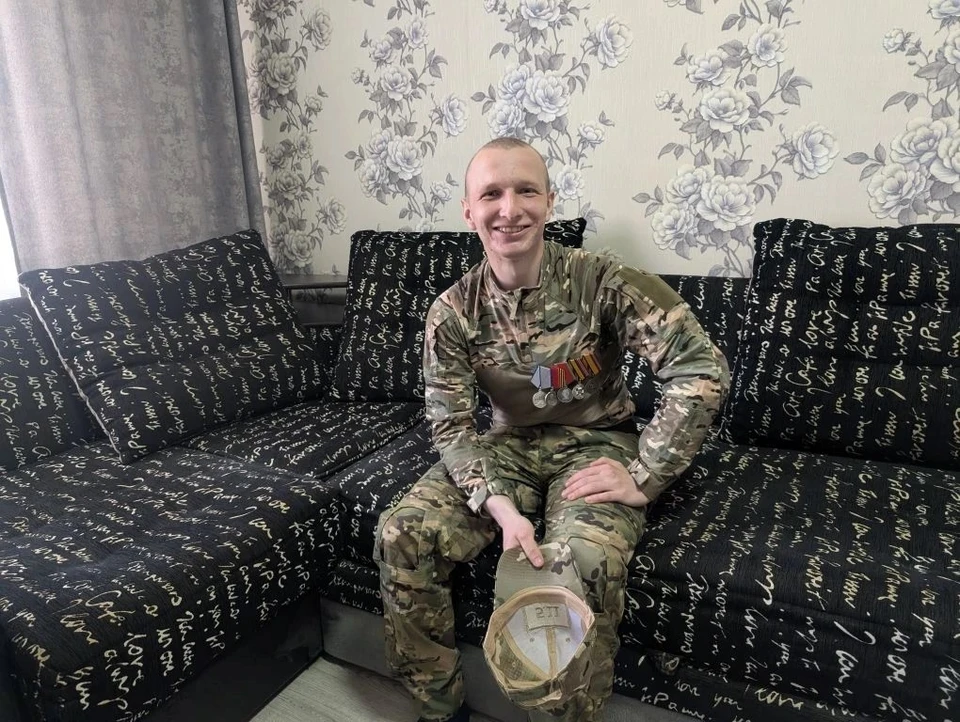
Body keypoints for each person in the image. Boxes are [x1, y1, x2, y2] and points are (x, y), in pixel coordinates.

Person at [375, 137, 729, 722]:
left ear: (550, 202)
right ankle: (440, 709)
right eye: (491, 194)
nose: (509, 209)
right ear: (469, 210)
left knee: (580, 561)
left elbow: (699, 364)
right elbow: (452, 425)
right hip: (505, 447)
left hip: (598, 444)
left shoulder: (602, 280)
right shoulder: (453, 311)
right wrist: (496, 505)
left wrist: (646, 474)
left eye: (526, 191)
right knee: (401, 534)